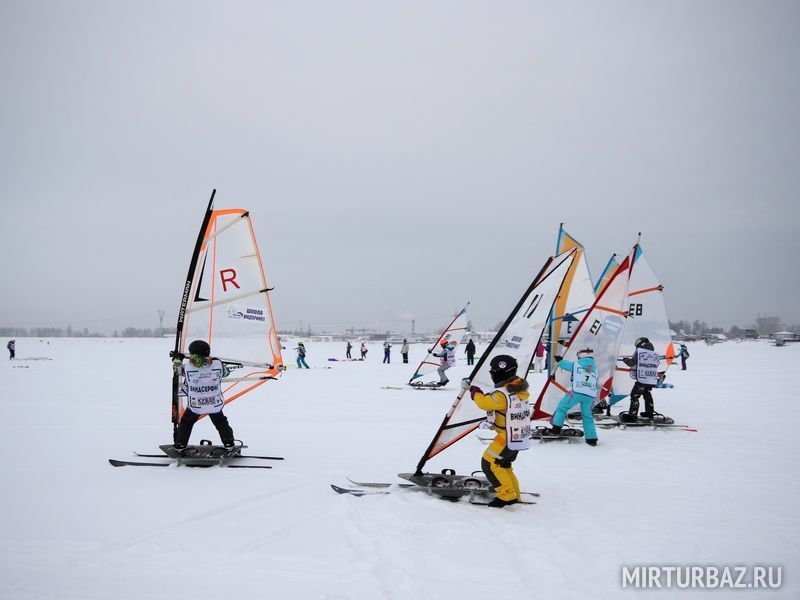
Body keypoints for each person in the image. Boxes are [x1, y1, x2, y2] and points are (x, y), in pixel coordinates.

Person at [462, 355, 531, 508]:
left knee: (489, 463)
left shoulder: (502, 394)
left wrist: (474, 391)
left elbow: (485, 403)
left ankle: (506, 496)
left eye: (492, 371)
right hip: (519, 435)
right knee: (504, 465)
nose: (491, 374)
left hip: (507, 437)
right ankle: (514, 493)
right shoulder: (518, 390)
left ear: (500, 373)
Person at [171, 340, 236, 450]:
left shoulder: (187, 367)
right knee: (221, 422)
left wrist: (177, 358)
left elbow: (176, 370)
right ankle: (229, 443)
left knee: (186, 422)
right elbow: (226, 373)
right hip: (214, 403)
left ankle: (180, 444)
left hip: (196, 405)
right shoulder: (217, 364)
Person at [548, 348, 599, 446]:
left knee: (562, 408)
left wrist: (560, 360)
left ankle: (556, 429)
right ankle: (592, 439)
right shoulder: (595, 371)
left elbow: (565, 365)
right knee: (587, 415)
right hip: (590, 395)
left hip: (577, 392)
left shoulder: (576, 365)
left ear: (580, 356)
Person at [620, 337, 659, 422]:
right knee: (647, 394)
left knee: (634, 395)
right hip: (651, 379)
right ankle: (649, 412)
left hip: (642, 379)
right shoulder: (654, 353)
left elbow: (631, 363)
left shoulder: (640, 352)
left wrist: (625, 359)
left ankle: (632, 415)